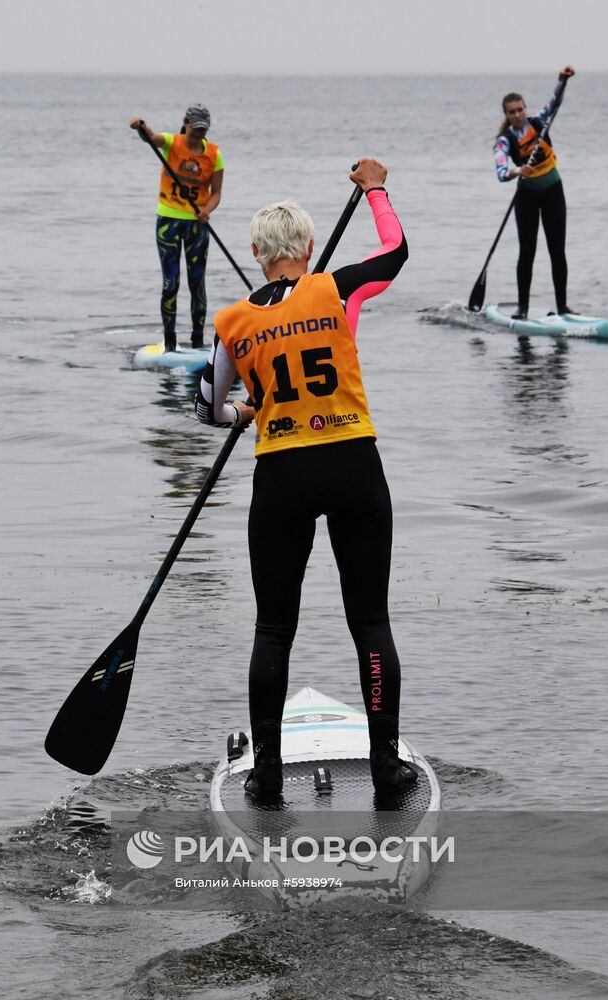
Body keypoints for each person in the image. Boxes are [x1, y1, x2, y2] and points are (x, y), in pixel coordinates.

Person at [195, 159, 414, 799]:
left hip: (282, 474)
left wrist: (246, 408)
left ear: (259, 254)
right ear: (311, 250)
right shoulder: (336, 287)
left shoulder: (234, 322)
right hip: (353, 464)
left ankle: (265, 778)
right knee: (370, 622)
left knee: (273, 627)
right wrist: (375, 188)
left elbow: (210, 406)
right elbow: (397, 251)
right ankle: (385, 770)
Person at [129, 104, 224, 351]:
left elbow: (216, 193)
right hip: (168, 222)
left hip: (197, 224)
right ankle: (170, 342)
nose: (198, 135)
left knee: (197, 282)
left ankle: (197, 340)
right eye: (194, 130)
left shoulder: (214, 154)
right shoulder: (172, 143)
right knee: (171, 282)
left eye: (203, 131)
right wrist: (142, 125)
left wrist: (207, 210)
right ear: (186, 124)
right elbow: (150, 138)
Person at [494, 66, 576, 319]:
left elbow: (555, 102)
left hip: (553, 191)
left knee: (557, 250)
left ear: (525, 109)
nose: (517, 115)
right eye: (512, 112)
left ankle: (563, 306)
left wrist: (562, 80)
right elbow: (500, 173)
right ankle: (523, 308)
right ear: (507, 115)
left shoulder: (539, 123)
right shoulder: (504, 140)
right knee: (527, 252)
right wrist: (519, 171)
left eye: (520, 110)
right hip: (526, 197)